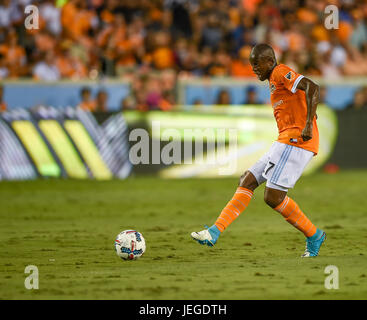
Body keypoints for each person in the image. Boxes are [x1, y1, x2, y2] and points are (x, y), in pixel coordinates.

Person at [191, 44, 326, 258]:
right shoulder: (273, 80)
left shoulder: (280, 72)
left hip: (297, 140)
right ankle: (213, 232)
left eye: (256, 64)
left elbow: (313, 87)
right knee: (247, 179)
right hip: (284, 140)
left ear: (270, 62)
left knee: (273, 197)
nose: (253, 69)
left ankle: (314, 235)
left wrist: (308, 123)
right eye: (251, 64)